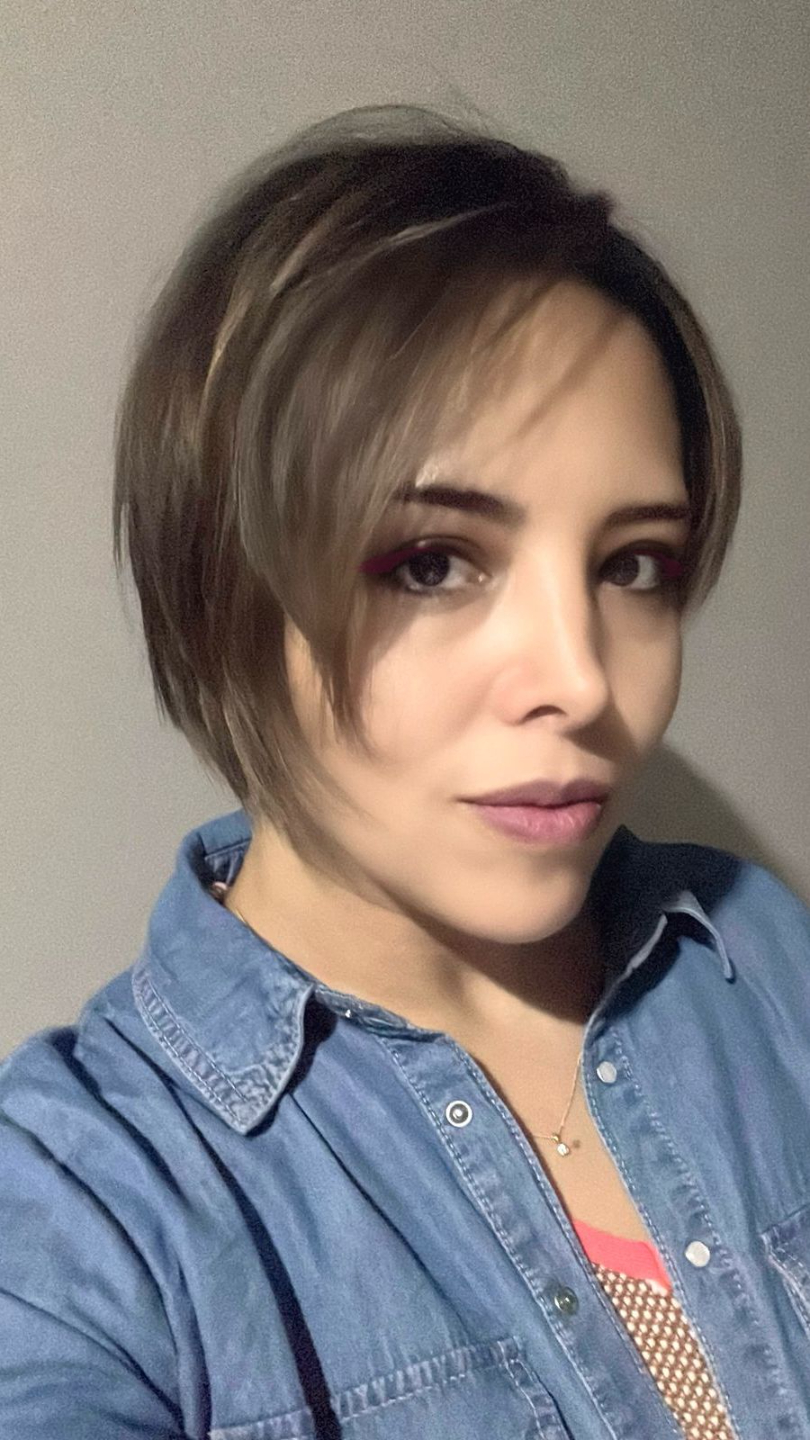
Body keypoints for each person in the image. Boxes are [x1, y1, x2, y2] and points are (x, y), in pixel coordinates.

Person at [1, 103, 808, 1440]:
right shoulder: (83, 1207)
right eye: (431, 563)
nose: (582, 679)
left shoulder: (760, 962)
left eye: (634, 565)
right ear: (224, 580)